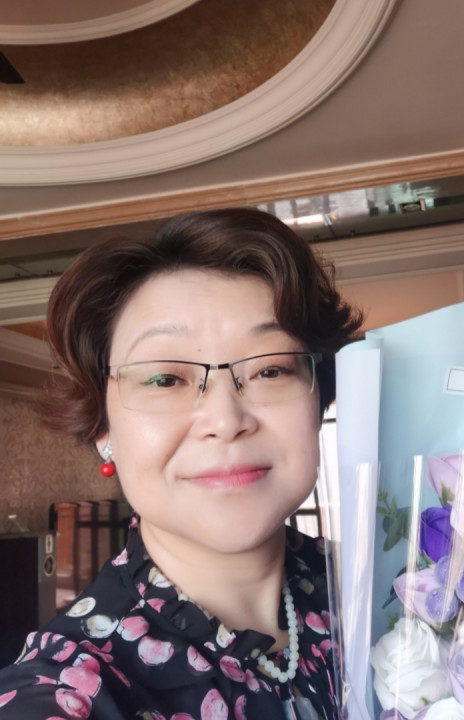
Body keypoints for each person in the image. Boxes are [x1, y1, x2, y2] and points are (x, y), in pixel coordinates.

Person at [0, 208, 363, 720]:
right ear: (103, 428)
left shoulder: (398, 584)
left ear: (318, 398)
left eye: (270, 369)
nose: (226, 420)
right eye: (165, 379)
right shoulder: (69, 692)